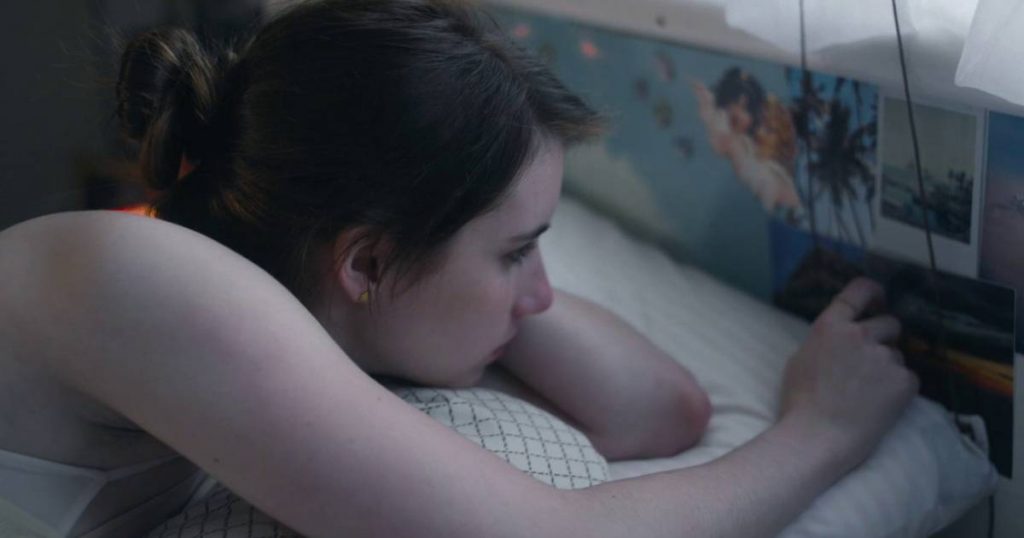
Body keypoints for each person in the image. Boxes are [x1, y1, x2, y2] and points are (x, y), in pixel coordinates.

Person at [0, 1, 916, 536]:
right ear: (367, 260)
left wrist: (485, 276)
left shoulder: (309, 295)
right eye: (517, 252)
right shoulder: (145, 275)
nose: (544, 293)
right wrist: (824, 431)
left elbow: (662, 413)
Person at [692, 67, 803, 213]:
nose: (732, 127)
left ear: (744, 102)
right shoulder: (746, 139)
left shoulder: (747, 142)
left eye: (734, 120)